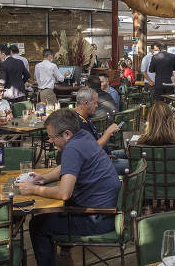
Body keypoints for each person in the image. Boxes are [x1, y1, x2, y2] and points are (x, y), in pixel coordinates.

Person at [16, 109, 121, 266]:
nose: (50, 141)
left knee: (38, 225)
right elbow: (69, 166)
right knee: (55, 212)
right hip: (108, 210)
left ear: (66, 134)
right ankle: (63, 256)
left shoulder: (72, 148)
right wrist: (44, 178)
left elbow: (64, 193)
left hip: (98, 218)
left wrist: (33, 189)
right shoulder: (83, 136)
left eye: (52, 137)